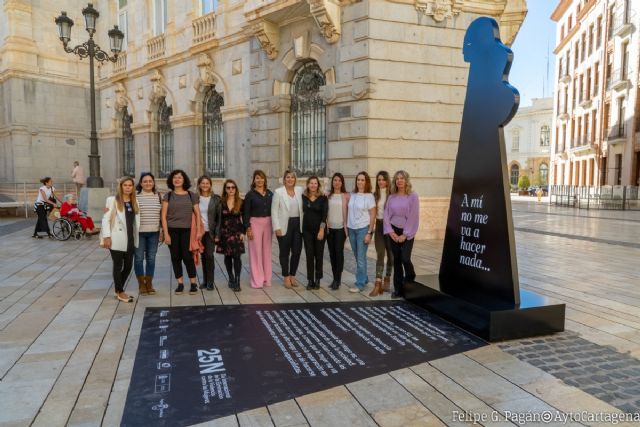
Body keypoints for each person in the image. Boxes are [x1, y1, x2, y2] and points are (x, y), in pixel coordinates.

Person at [161, 169, 202, 295]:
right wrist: (166, 234)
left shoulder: (191, 195)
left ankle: (193, 283)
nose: (177, 179)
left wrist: (199, 230)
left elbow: (197, 213)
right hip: (172, 231)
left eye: (180, 177)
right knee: (175, 257)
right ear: (171, 180)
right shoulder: (168, 196)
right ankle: (180, 284)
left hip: (188, 231)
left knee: (187, 257)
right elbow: (163, 216)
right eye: (174, 177)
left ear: (184, 180)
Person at [101, 176, 140, 303]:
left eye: (130, 185)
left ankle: (118, 289)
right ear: (121, 186)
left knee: (128, 266)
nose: (128, 187)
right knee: (118, 265)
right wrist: (107, 236)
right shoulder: (112, 200)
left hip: (130, 238)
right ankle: (120, 291)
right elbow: (106, 219)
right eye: (125, 185)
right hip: (116, 237)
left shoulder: (135, 201)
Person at [384, 170, 419, 299]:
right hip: (393, 230)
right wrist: (390, 231)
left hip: (407, 230)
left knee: (405, 258)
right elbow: (386, 214)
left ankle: (410, 278)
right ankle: (398, 289)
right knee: (397, 260)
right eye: (397, 178)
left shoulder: (413, 196)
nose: (399, 180)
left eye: (402, 178)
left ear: (406, 180)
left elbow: (414, 216)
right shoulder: (391, 196)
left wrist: (405, 234)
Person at [272, 170, 304, 289]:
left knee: (296, 251)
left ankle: (292, 275)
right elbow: (274, 211)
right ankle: (285, 276)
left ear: (295, 179)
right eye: (288, 177)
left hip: (298, 224)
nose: (290, 179)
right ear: (284, 179)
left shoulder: (300, 190)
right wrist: (277, 227)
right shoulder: (278, 192)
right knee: (284, 252)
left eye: (292, 177)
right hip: (284, 225)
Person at [243, 170, 274, 289]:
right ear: (254, 180)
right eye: (257, 178)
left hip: (268, 223)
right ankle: (257, 280)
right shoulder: (250, 195)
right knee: (255, 252)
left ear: (265, 180)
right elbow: (245, 213)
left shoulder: (270, 193)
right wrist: (248, 228)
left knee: (266, 251)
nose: (260, 180)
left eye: (261, 178)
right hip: (254, 223)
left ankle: (267, 279)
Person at [347, 171, 376, 293]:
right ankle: (364, 278)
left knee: (360, 257)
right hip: (351, 229)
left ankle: (359, 284)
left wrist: (369, 232)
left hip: (363, 229)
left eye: (362, 180)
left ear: (366, 182)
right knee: (357, 255)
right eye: (358, 180)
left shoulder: (369, 196)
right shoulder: (352, 194)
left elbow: (373, 215)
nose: (360, 182)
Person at [134, 172, 162, 296]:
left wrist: (162, 231)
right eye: (145, 181)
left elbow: (161, 215)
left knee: (151, 258)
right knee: (139, 259)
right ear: (141, 183)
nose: (148, 183)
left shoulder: (158, 196)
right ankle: (141, 284)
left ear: (153, 183)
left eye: (150, 181)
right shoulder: (135, 196)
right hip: (139, 233)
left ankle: (149, 283)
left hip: (154, 233)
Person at [216, 179, 244, 292]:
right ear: (225, 189)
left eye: (233, 187)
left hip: (237, 233)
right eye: (228, 187)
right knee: (227, 256)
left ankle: (237, 280)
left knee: (237, 257)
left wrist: (243, 232)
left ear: (236, 189)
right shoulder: (221, 203)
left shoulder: (241, 202)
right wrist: (217, 235)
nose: (231, 189)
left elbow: (245, 218)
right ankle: (230, 277)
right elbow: (218, 219)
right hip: (224, 233)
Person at [302, 176, 328, 290]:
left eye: (315, 183)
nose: (313, 185)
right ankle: (310, 280)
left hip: (319, 231)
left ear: (318, 185)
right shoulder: (303, 197)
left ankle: (317, 279)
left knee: (319, 255)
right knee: (309, 255)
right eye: (311, 183)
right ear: (308, 184)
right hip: (307, 231)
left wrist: (322, 230)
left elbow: (324, 215)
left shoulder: (323, 198)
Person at [197, 175, 222, 291]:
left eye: (207, 183)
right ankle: (205, 280)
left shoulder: (216, 199)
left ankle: (211, 281)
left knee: (209, 255)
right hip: (199, 232)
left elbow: (219, 218)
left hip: (210, 232)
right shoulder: (195, 198)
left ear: (210, 185)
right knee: (203, 256)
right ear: (199, 185)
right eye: (203, 183)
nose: (205, 185)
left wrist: (217, 234)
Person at [372, 171, 393, 296]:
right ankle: (377, 284)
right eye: (379, 179)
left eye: (383, 179)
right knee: (380, 253)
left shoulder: (392, 195)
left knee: (391, 255)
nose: (381, 182)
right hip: (379, 226)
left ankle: (387, 280)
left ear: (387, 181)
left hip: (390, 227)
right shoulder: (374, 195)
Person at [326, 173, 349, 290]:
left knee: (339, 253)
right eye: (335, 180)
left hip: (341, 229)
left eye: (339, 180)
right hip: (329, 229)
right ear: (332, 182)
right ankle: (335, 278)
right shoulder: (327, 195)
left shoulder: (346, 196)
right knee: (331, 254)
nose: (337, 182)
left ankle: (337, 279)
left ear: (342, 182)